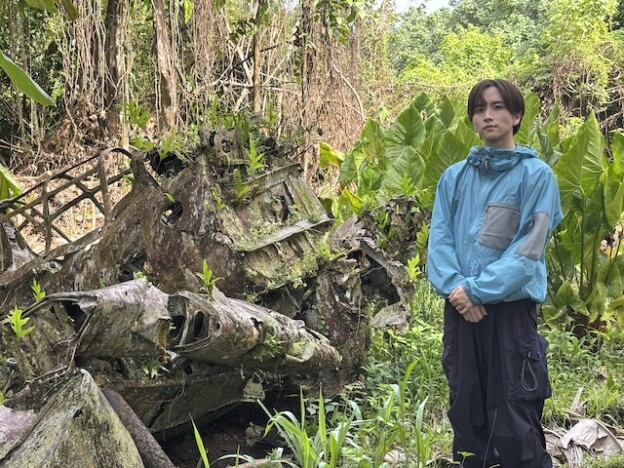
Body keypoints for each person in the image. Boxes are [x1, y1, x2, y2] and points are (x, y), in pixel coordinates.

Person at [427, 79, 562, 468]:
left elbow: (528, 250)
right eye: (479, 109)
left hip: (510, 314)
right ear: (472, 119)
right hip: (460, 310)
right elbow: (439, 242)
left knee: (514, 413)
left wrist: (476, 291)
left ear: (516, 115)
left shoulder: (536, 176)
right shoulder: (454, 177)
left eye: (498, 107)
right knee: (466, 409)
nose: (488, 115)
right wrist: (458, 290)